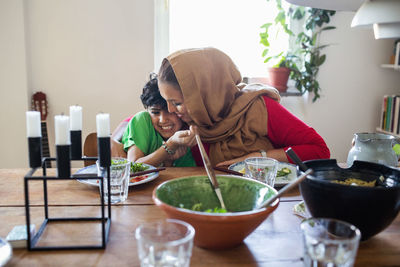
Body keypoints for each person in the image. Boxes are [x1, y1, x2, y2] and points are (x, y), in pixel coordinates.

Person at [157, 47, 330, 166]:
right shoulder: (189, 120)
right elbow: (133, 127)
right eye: (167, 101)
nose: (170, 110)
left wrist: (257, 158)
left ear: (204, 95)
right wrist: (169, 150)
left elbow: (319, 150)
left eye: (177, 103)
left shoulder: (260, 108)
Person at [117, 75, 199, 167]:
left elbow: (181, 177)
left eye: (169, 112)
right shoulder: (142, 120)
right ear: (147, 110)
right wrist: (170, 146)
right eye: (155, 112)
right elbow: (133, 166)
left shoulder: (186, 132)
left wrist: (168, 161)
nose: (163, 120)